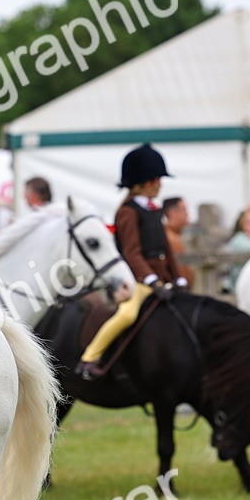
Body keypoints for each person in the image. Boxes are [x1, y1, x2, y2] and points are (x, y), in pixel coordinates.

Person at [74, 144, 188, 380]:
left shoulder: (154, 210)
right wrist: (152, 280)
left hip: (161, 280)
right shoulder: (127, 212)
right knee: (127, 315)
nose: (161, 184)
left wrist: (178, 277)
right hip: (137, 281)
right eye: (158, 179)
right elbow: (132, 252)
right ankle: (89, 358)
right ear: (147, 182)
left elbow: (167, 250)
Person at [161, 197, 196, 285]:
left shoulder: (175, 236)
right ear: (173, 213)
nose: (187, 214)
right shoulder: (170, 239)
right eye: (184, 210)